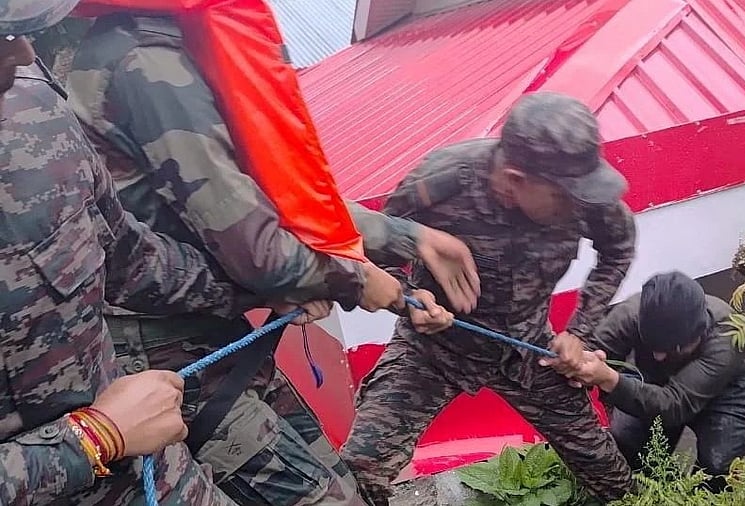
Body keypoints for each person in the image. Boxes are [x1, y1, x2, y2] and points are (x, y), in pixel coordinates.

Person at [67, 13, 471, 506]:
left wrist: (407, 240)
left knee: (343, 486)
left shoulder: (183, 45)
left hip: (213, 333)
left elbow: (274, 197)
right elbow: (256, 250)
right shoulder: (145, 63)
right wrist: (360, 282)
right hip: (165, 353)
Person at [0, 1, 303, 502]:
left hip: (156, 471)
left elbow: (129, 258)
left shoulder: (32, 105)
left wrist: (263, 286)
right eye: (7, 39)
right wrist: (93, 439)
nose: (27, 51)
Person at [342, 91, 637, 505]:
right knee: (358, 471)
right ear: (517, 180)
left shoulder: (579, 192)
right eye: (562, 196)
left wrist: (580, 332)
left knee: (612, 478)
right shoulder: (442, 179)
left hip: (529, 349)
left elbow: (618, 248)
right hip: (433, 349)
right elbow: (373, 246)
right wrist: (408, 299)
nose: (577, 205)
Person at [542, 271, 745, 492]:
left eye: (672, 349)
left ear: (700, 332)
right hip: (656, 385)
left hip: (725, 396)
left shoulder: (728, 336)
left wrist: (609, 379)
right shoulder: (631, 313)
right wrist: (575, 360)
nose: (659, 357)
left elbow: (674, 405)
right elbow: (592, 346)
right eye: (654, 347)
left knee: (719, 468)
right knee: (629, 446)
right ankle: (658, 493)